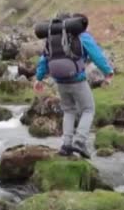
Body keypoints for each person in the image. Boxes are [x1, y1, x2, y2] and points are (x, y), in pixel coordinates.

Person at [33, 13, 114, 159]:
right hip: (77, 80)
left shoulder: (52, 38)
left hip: (60, 81)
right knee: (88, 109)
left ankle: (66, 145)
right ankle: (80, 141)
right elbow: (97, 55)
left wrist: (38, 78)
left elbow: (44, 59)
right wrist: (108, 72)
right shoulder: (81, 36)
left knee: (69, 111)